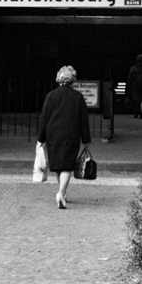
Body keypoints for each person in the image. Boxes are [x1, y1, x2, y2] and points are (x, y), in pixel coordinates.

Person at [37, 65, 91, 209]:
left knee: (58, 165)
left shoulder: (51, 96)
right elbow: (83, 120)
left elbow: (44, 118)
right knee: (67, 166)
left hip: (53, 135)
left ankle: (62, 192)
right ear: (72, 80)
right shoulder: (78, 97)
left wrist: (41, 138)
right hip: (71, 135)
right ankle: (61, 192)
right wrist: (86, 140)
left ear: (59, 78)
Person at [126, 54, 142, 118]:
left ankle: (140, 112)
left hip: (141, 87)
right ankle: (138, 112)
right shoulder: (134, 69)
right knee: (137, 100)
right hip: (136, 87)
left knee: (140, 100)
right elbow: (130, 79)